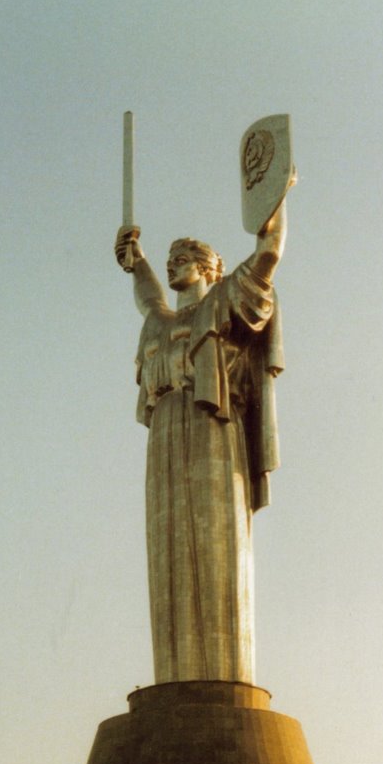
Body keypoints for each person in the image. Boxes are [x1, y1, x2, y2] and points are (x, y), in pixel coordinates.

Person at [115, 201, 287, 684]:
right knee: (168, 551)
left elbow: (269, 254)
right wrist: (138, 261)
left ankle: (225, 675)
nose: (173, 264)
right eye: (170, 260)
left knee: (216, 546)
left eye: (184, 256)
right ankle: (174, 678)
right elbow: (147, 297)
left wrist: (272, 200)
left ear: (210, 268)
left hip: (213, 427)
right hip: (166, 433)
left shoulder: (223, 304)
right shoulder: (160, 324)